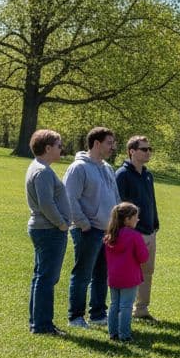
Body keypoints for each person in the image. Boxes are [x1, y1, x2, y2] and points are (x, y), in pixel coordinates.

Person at [63, 126, 118, 328]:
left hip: (107, 231)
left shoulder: (107, 168)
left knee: (102, 274)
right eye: (109, 143)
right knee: (83, 274)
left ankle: (97, 314)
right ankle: (76, 317)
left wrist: (116, 225)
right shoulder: (78, 168)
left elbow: (116, 198)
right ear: (96, 144)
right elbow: (69, 199)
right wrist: (84, 224)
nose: (113, 147)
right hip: (87, 230)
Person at [26, 129, 72, 336]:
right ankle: (42, 325)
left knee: (41, 277)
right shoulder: (42, 171)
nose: (61, 149)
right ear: (47, 148)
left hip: (45, 229)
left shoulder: (40, 168)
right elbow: (46, 203)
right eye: (59, 145)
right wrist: (61, 224)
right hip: (48, 229)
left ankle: (37, 322)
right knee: (46, 278)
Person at [116, 135, 160, 322]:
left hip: (150, 230)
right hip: (133, 232)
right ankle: (122, 309)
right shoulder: (122, 175)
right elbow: (118, 205)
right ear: (132, 151)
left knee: (147, 271)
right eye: (144, 149)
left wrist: (155, 223)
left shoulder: (148, 175)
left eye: (150, 149)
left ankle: (141, 309)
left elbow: (151, 201)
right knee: (130, 271)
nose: (148, 152)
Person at [103, 202, 149, 343]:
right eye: (135, 217)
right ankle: (125, 335)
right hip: (129, 278)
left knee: (114, 304)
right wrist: (144, 248)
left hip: (114, 277)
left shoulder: (110, 236)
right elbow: (143, 257)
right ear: (127, 219)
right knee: (126, 306)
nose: (138, 220)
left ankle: (113, 333)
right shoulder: (135, 236)